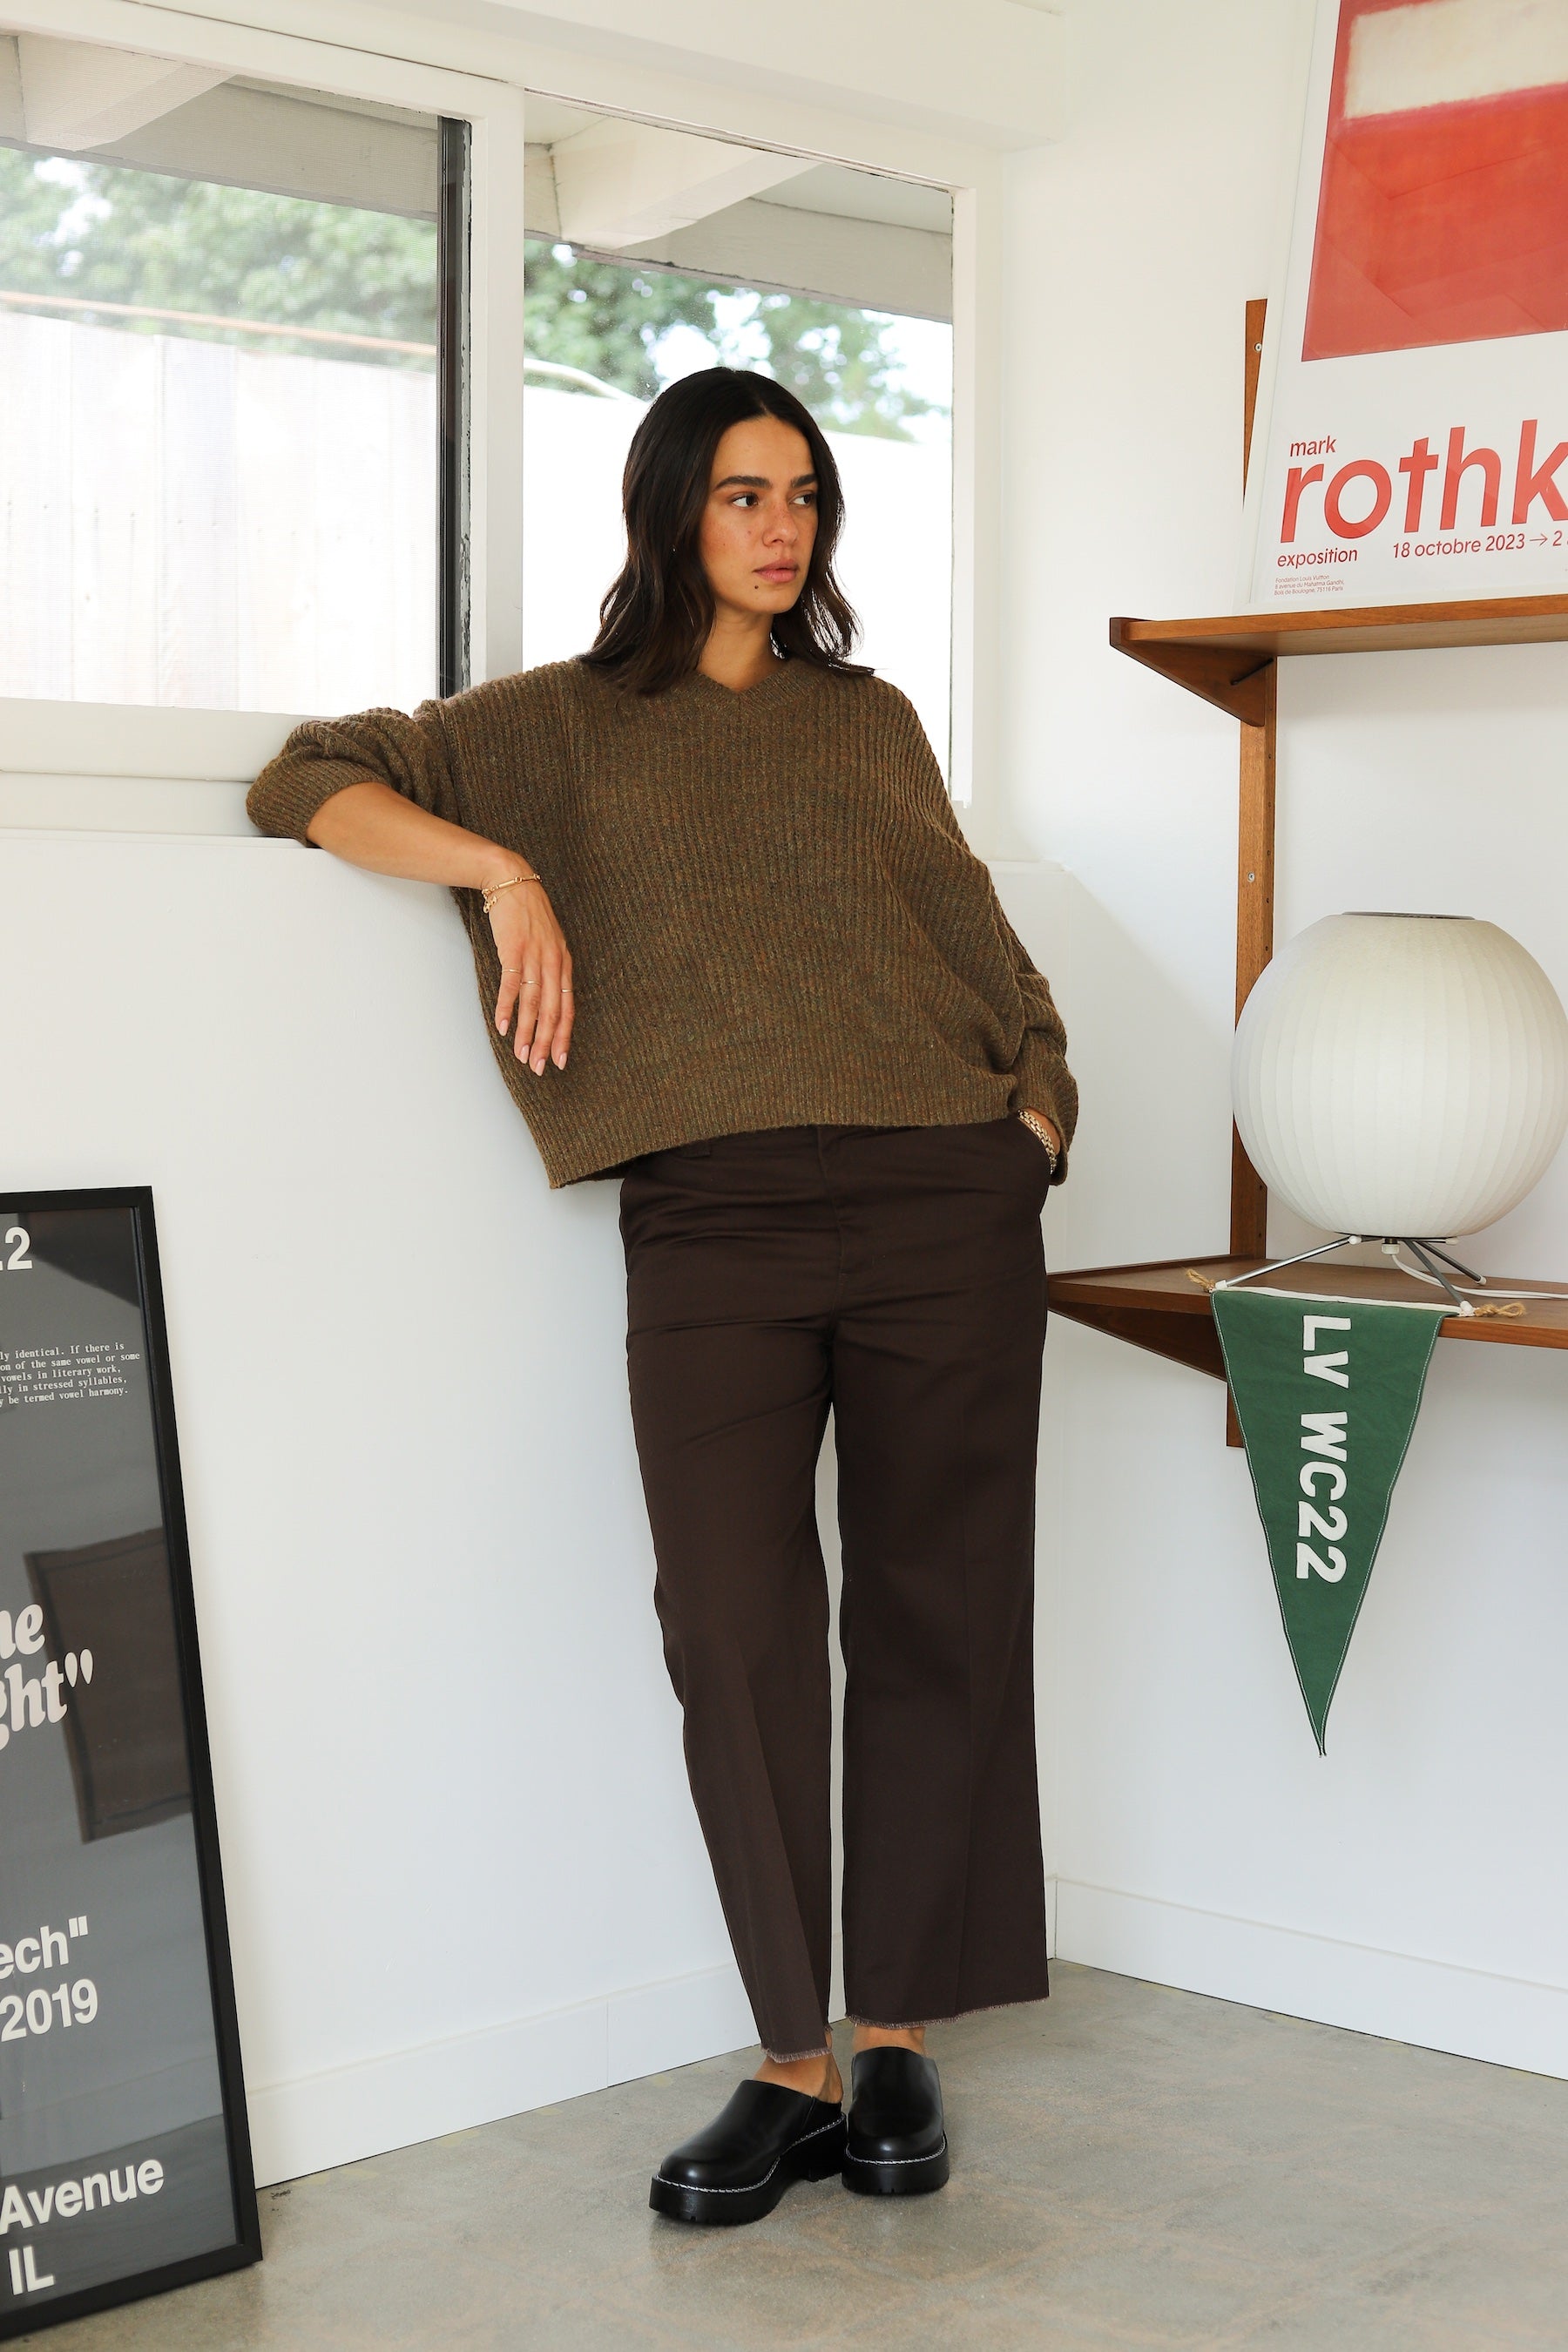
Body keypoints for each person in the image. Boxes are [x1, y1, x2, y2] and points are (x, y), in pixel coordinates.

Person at [247, 366, 1076, 2227]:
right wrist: (503, 871)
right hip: (715, 1219)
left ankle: (899, 2039)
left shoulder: (868, 721)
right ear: (670, 510)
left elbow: (980, 942)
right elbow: (304, 776)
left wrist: (1032, 1115)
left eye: (804, 495)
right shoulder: (554, 726)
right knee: (731, 1622)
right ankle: (792, 2057)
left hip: (943, 1193)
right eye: (742, 495)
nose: (781, 529)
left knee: (942, 1608)